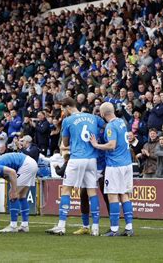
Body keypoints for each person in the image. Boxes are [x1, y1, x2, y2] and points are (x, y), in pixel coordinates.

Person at [46, 97, 103, 236]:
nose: (62, 112)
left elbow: (65, 143)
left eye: (62, 109)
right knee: (92, 191)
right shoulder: (93, 117)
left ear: (67, 107)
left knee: (66, 189)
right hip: (91, 159)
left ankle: (61, 225)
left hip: (77, 158)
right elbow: (105, 126)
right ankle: (95, 227)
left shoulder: (68, 120)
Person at [90, 102, 134, 237]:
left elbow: (112, 145)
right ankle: (129, 228)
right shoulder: (121, 122)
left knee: (113, 195)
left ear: (103, 114)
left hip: (115, 165)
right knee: (124, 195)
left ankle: (114, 229)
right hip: (127, 163)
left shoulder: (110, 126)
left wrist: (96, 145)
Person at [0, 152, 38, 233]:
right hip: (32, 163)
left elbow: (12, 172)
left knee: (12, 194)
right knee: (22, 195)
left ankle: (13, 226)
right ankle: (25, 225)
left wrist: (14, 190)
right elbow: (9, 176)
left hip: (26, 165)